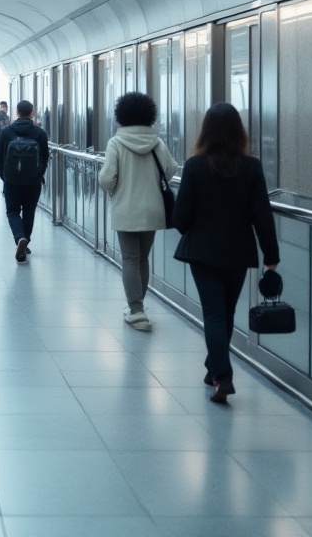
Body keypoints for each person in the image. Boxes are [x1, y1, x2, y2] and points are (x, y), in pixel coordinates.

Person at [173, 102, 279, 404]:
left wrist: (194, 233)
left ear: (206, 130)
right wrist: (271, 255)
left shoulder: (194, 166)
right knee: (226, 312)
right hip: (238, 251)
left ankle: (222, 375)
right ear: (239, 131)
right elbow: (262, 215)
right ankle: (214, 370)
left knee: (214, 314)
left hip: (202, 252)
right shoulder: (252, 167)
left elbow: (181, 216)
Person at [98, 92, 179, 332]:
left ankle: (136, 310)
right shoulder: (157, 142)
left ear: (121, 115)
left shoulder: (116, 143)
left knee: (130, 258)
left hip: (126, 209)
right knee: (142, 258)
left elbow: (106, 178)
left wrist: (116, 190)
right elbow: (171, 169)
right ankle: (138, 308)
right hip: (153, 210)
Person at [0, 99, 49, 264]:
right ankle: (25, 243)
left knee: (12, 211)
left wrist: (5, 177)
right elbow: (45, 158)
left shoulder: (7, 132)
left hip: (11, 181)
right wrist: (39, 175)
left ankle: (19, 238)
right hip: (33, 182)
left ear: (17, 112)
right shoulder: (39, 133)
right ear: (31, 113)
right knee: (29, 211)